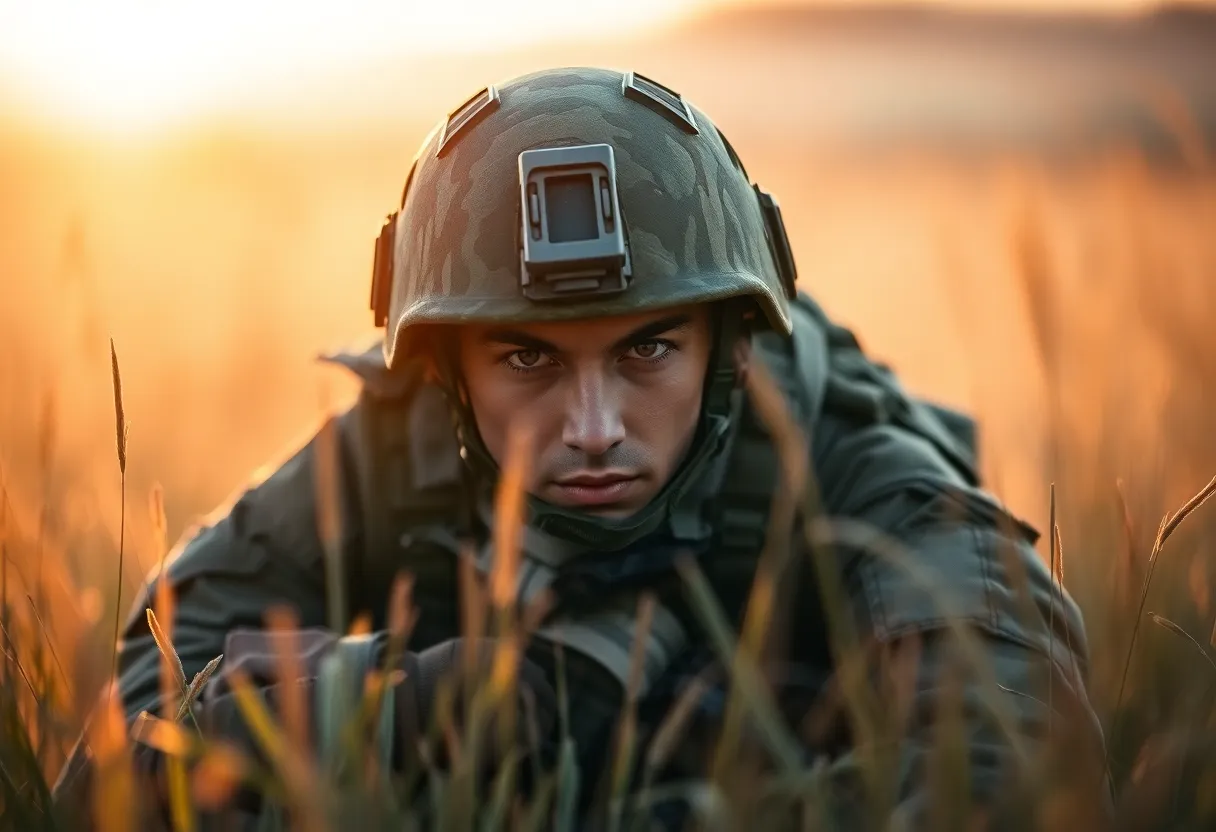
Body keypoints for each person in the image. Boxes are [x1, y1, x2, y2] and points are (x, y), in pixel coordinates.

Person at [53, 66, 1108, 830]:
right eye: (528, 359)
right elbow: (109, 769)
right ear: (449, 371)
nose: (593, 427)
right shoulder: (397, 453)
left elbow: (1013, 773)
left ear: (730, 346)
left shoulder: (855, 476)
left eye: (649, 348)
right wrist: (438, 702)